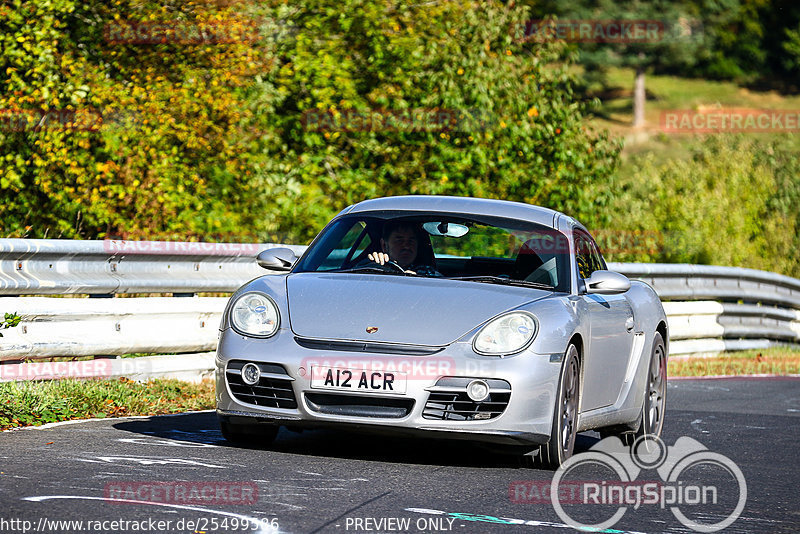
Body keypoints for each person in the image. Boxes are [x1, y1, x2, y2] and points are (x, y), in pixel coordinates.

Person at [367, 221, 438, 275]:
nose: (406, 246)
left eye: (411, 241)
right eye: (399, 240)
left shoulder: (427, 272)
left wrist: (419, 280)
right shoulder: (373, 267)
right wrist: (374, 264)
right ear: (384, 245)